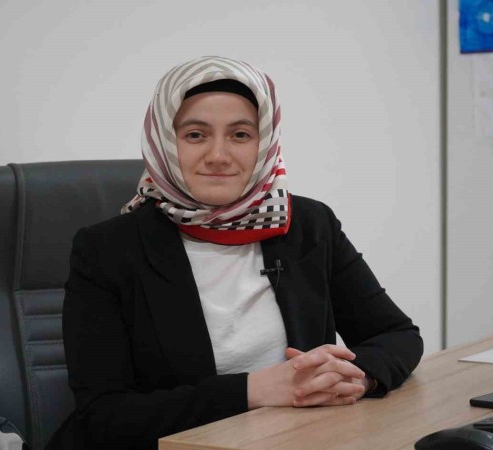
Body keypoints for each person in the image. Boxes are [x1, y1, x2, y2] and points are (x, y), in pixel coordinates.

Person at [46, 56, 423, 450]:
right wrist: (252, 390)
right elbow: (104, 415)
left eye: (240, 135)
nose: (218, 155)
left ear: (265, 143)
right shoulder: (107, 250)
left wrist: (358, 378)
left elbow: (396, 335)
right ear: (164, 143)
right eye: (195, 135)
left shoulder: (308, 226)